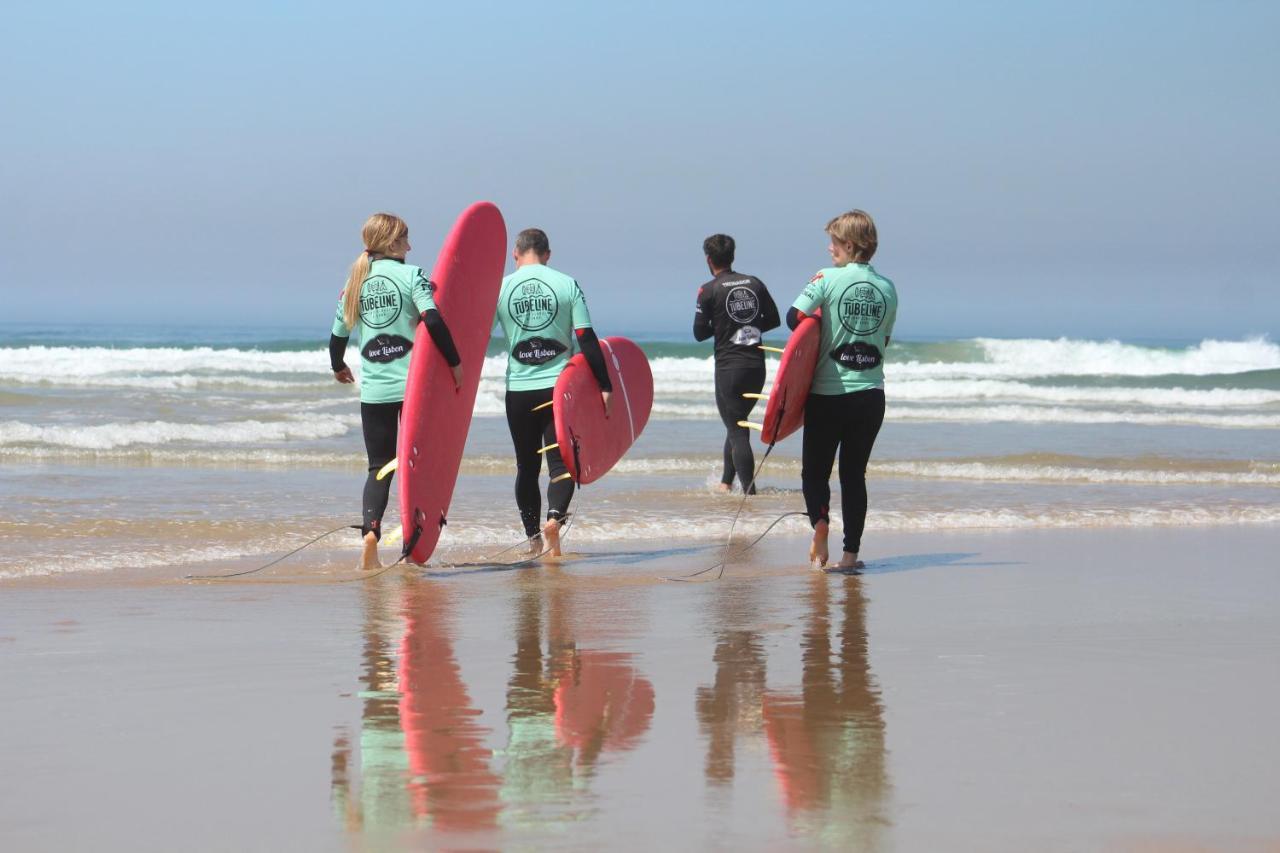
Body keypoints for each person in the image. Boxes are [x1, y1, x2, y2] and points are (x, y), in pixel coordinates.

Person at [330, 212, 464, 570]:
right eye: (405, 237)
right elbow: (433, 320)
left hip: (375, 390)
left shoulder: (355, 282)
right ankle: (412, 542)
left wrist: (339, 367)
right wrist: (455, 363)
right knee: (418, 464)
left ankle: (371, 532)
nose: (410, 244)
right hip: (413, 389)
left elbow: (338, 336)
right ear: (391, 243)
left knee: (379, 467)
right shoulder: (411, 276)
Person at [786, 210, 898, 569]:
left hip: (828, 394)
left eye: (834, 241)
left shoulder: (826, 278)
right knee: (854, 476)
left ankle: (820, 526)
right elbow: (884, 339)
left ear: (850, 245)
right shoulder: (888, 288)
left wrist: (822, 320)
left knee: (815, 473)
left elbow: (794, 319)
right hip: (870, 395)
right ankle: (850, 555)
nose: (829, 247)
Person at [494, 228, 612, 557]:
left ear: (515, 255)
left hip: (519, 390)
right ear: (548, 254)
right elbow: (586, 337)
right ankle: (554, 520)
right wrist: (605, 384)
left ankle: (533, 540)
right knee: (561, 466)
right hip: (560, 391)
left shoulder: (500, 288)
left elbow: (475, 337)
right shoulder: (566, 283)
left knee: (526, 468)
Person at [693, 234, 780, 494]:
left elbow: (698, 333)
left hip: (729, 369)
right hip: (756, 367)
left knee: (737, 429)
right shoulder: (754, 283)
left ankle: (749, 495)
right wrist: (746, 327)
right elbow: (774, 319)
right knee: (737, 423)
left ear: (709, 260)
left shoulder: (708, 290)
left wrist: (724, 328)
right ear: (732, 256)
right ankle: (726, 483)